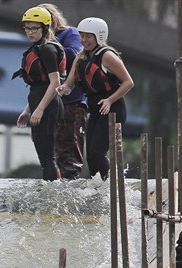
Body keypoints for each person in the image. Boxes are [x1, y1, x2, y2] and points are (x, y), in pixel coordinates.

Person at [56, 17, 134, 180]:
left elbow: (128, 82)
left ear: (99, 36)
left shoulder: (107, 56)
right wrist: (62, 89)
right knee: (91, 157)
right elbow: (69, 85)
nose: (84, 40)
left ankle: (112, 188)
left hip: (113, 109)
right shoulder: (80, 57)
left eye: (88, 36)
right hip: (95, 110)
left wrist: (110, 100)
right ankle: (99, 189)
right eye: (82, 36)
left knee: (98, 153)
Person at [13, 6, 65, 181]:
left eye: (34, 28)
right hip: (37, 102)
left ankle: (53, 195)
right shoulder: (37, 48)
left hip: (48, 106)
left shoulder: (47, 49)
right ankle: (51, 192)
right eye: (27, 28)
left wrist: (40, 109)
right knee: (43, 153)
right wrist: (28, 110)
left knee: (47, 156)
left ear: (45, 28)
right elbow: (38, 87)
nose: (30, 32)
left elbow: (55, 83)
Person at [39, 3, 87, 180]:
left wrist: (51, 50)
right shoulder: (39, 43)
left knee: (70, 152)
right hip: (50, 102)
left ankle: (71, 186)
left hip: (71, 102)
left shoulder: (69, 34)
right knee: (50, 151)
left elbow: (75, 54)